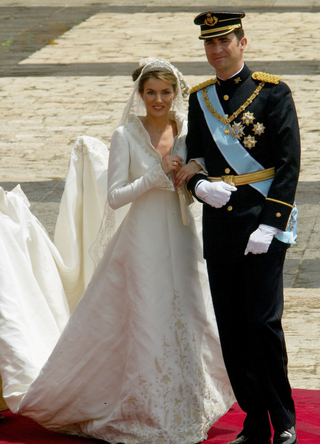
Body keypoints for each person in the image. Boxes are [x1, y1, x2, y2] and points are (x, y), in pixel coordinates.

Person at [0, 58, 234, 443]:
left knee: (189, 313)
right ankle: (146, 406)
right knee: (148, 316)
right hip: (143, 239)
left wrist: (190, 173)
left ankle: (188, 400)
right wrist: (155, 175)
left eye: (165, 92)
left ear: (175, 93)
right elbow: (114, 197)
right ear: (139, 94)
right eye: (151, 93)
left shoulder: (185, 130)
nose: (158, 99)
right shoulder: (125, 135)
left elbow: (194, 179)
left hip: (180, 233)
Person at [177, 11, 300, 444]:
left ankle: (283, 421)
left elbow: (288, 165)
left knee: (264, 324)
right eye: (209, 44)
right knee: (232, 327)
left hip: (262, 225)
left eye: (224, 42)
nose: (216, 50)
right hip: (221, 227)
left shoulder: (273, 92)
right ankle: (254, 420)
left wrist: (271, 223)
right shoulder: (200, 99)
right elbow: (194, 158)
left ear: (242, 44)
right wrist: (198, 187)